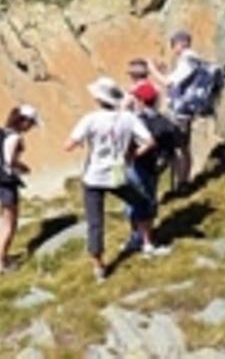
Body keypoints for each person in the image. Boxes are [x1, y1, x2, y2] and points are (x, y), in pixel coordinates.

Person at [64, 77, 166, 282]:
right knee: (142, 202)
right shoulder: (128, 118)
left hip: (94, 176)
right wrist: (132, 155)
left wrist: (84, 143)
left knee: (95, 222)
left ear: (98, 99)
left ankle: (99, 267)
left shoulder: (90, 119)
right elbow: (149, 141)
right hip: (117, 172)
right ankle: (147, 243)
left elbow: (68, 145)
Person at [121, 81, 178, 253]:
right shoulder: (165, 122)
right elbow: (172, 148)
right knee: (148, 200)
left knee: (134, 203)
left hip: (136, 166)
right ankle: (144, 236)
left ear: (140, 101)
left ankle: (141, 239)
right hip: (154, 169)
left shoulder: (136, 121)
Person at [148, 30, 201, 195]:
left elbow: (169, 83)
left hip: (180, 112)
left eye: (173, 45)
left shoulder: (188, 59)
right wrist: (162, 71)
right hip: (186, 109)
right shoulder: (192, 60)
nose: (173, 49)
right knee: (183, 147)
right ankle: (182, 181)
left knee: (177, 148)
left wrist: (152, 70)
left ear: (179, 44)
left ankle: (182, 183)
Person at [0, 104, 40, 275]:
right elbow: (9, 161)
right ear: (24, 121)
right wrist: (23, 167)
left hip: (0, 182)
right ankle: (0, 264)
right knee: (9, 224)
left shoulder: (5, 133)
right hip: (7, 182)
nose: (31, 127)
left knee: (6, 222)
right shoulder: (14, 137)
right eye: (31, 123)